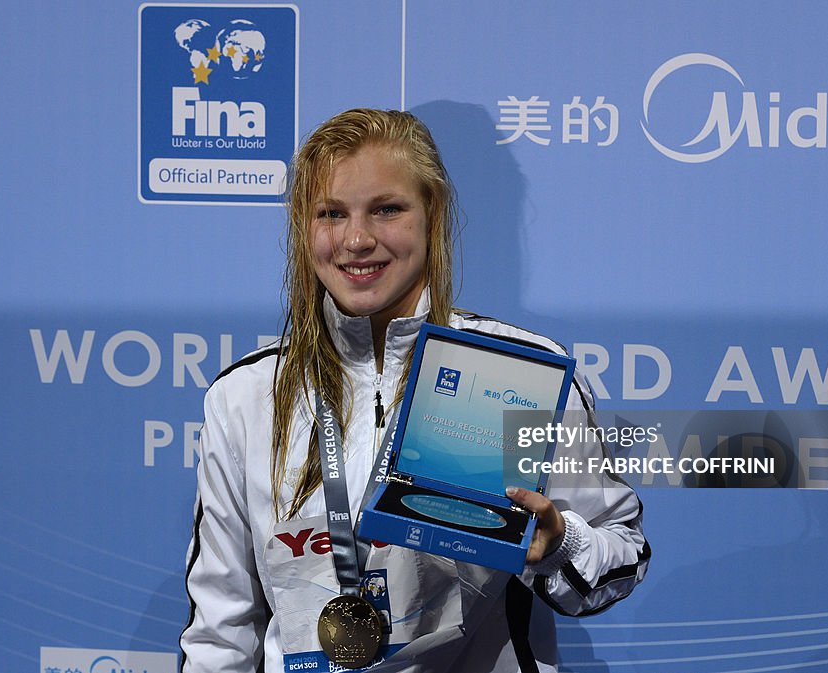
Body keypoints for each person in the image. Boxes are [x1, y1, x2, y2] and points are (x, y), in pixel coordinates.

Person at [180, 108, 649, 673]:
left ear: (434, 215)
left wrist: (559, 547)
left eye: (386, 209)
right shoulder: (246, 397)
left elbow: (621, 553)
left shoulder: (519, 376)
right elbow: (221, 629)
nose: (357, 239)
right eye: (331, 213)